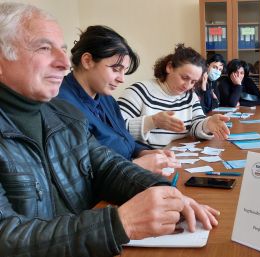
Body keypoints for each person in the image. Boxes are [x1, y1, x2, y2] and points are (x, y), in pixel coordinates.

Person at [0, 3, 219, 257]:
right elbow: (7, 237)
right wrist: (118, 223)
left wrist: (165, 193)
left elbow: (107, 166)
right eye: (43, 48)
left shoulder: (62, 115)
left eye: (61, 49)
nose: (63, 62)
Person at [57, 25, 179, 176]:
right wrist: (135, 165)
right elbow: (78, 173)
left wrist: (144, 152)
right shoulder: (61, 105)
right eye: (115, 69)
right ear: (87, 61)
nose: (121, 79)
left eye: (124, 71)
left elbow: (123, 140)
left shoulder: (106, 98)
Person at [118, 44, 230, 149]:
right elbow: (115, 129)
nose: (187, 86)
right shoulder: (139, 91)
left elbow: (195, 125)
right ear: (170, 67)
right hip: (146, 158)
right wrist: (152, 122)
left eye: (193, 82)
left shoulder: (190, 96)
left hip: (176, 157)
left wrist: (207, 124)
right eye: (184, 78)